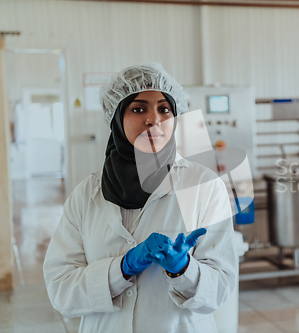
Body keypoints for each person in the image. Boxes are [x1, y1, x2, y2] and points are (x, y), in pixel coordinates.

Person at [43, 63, 238, 333]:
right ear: (117, 118)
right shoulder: (87, 195)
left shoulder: (203, 187)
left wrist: (183, 270)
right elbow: (61, 289)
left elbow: (221, 289)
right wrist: (121, 269)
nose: (153, 120)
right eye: (138, 109)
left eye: (164, 109)